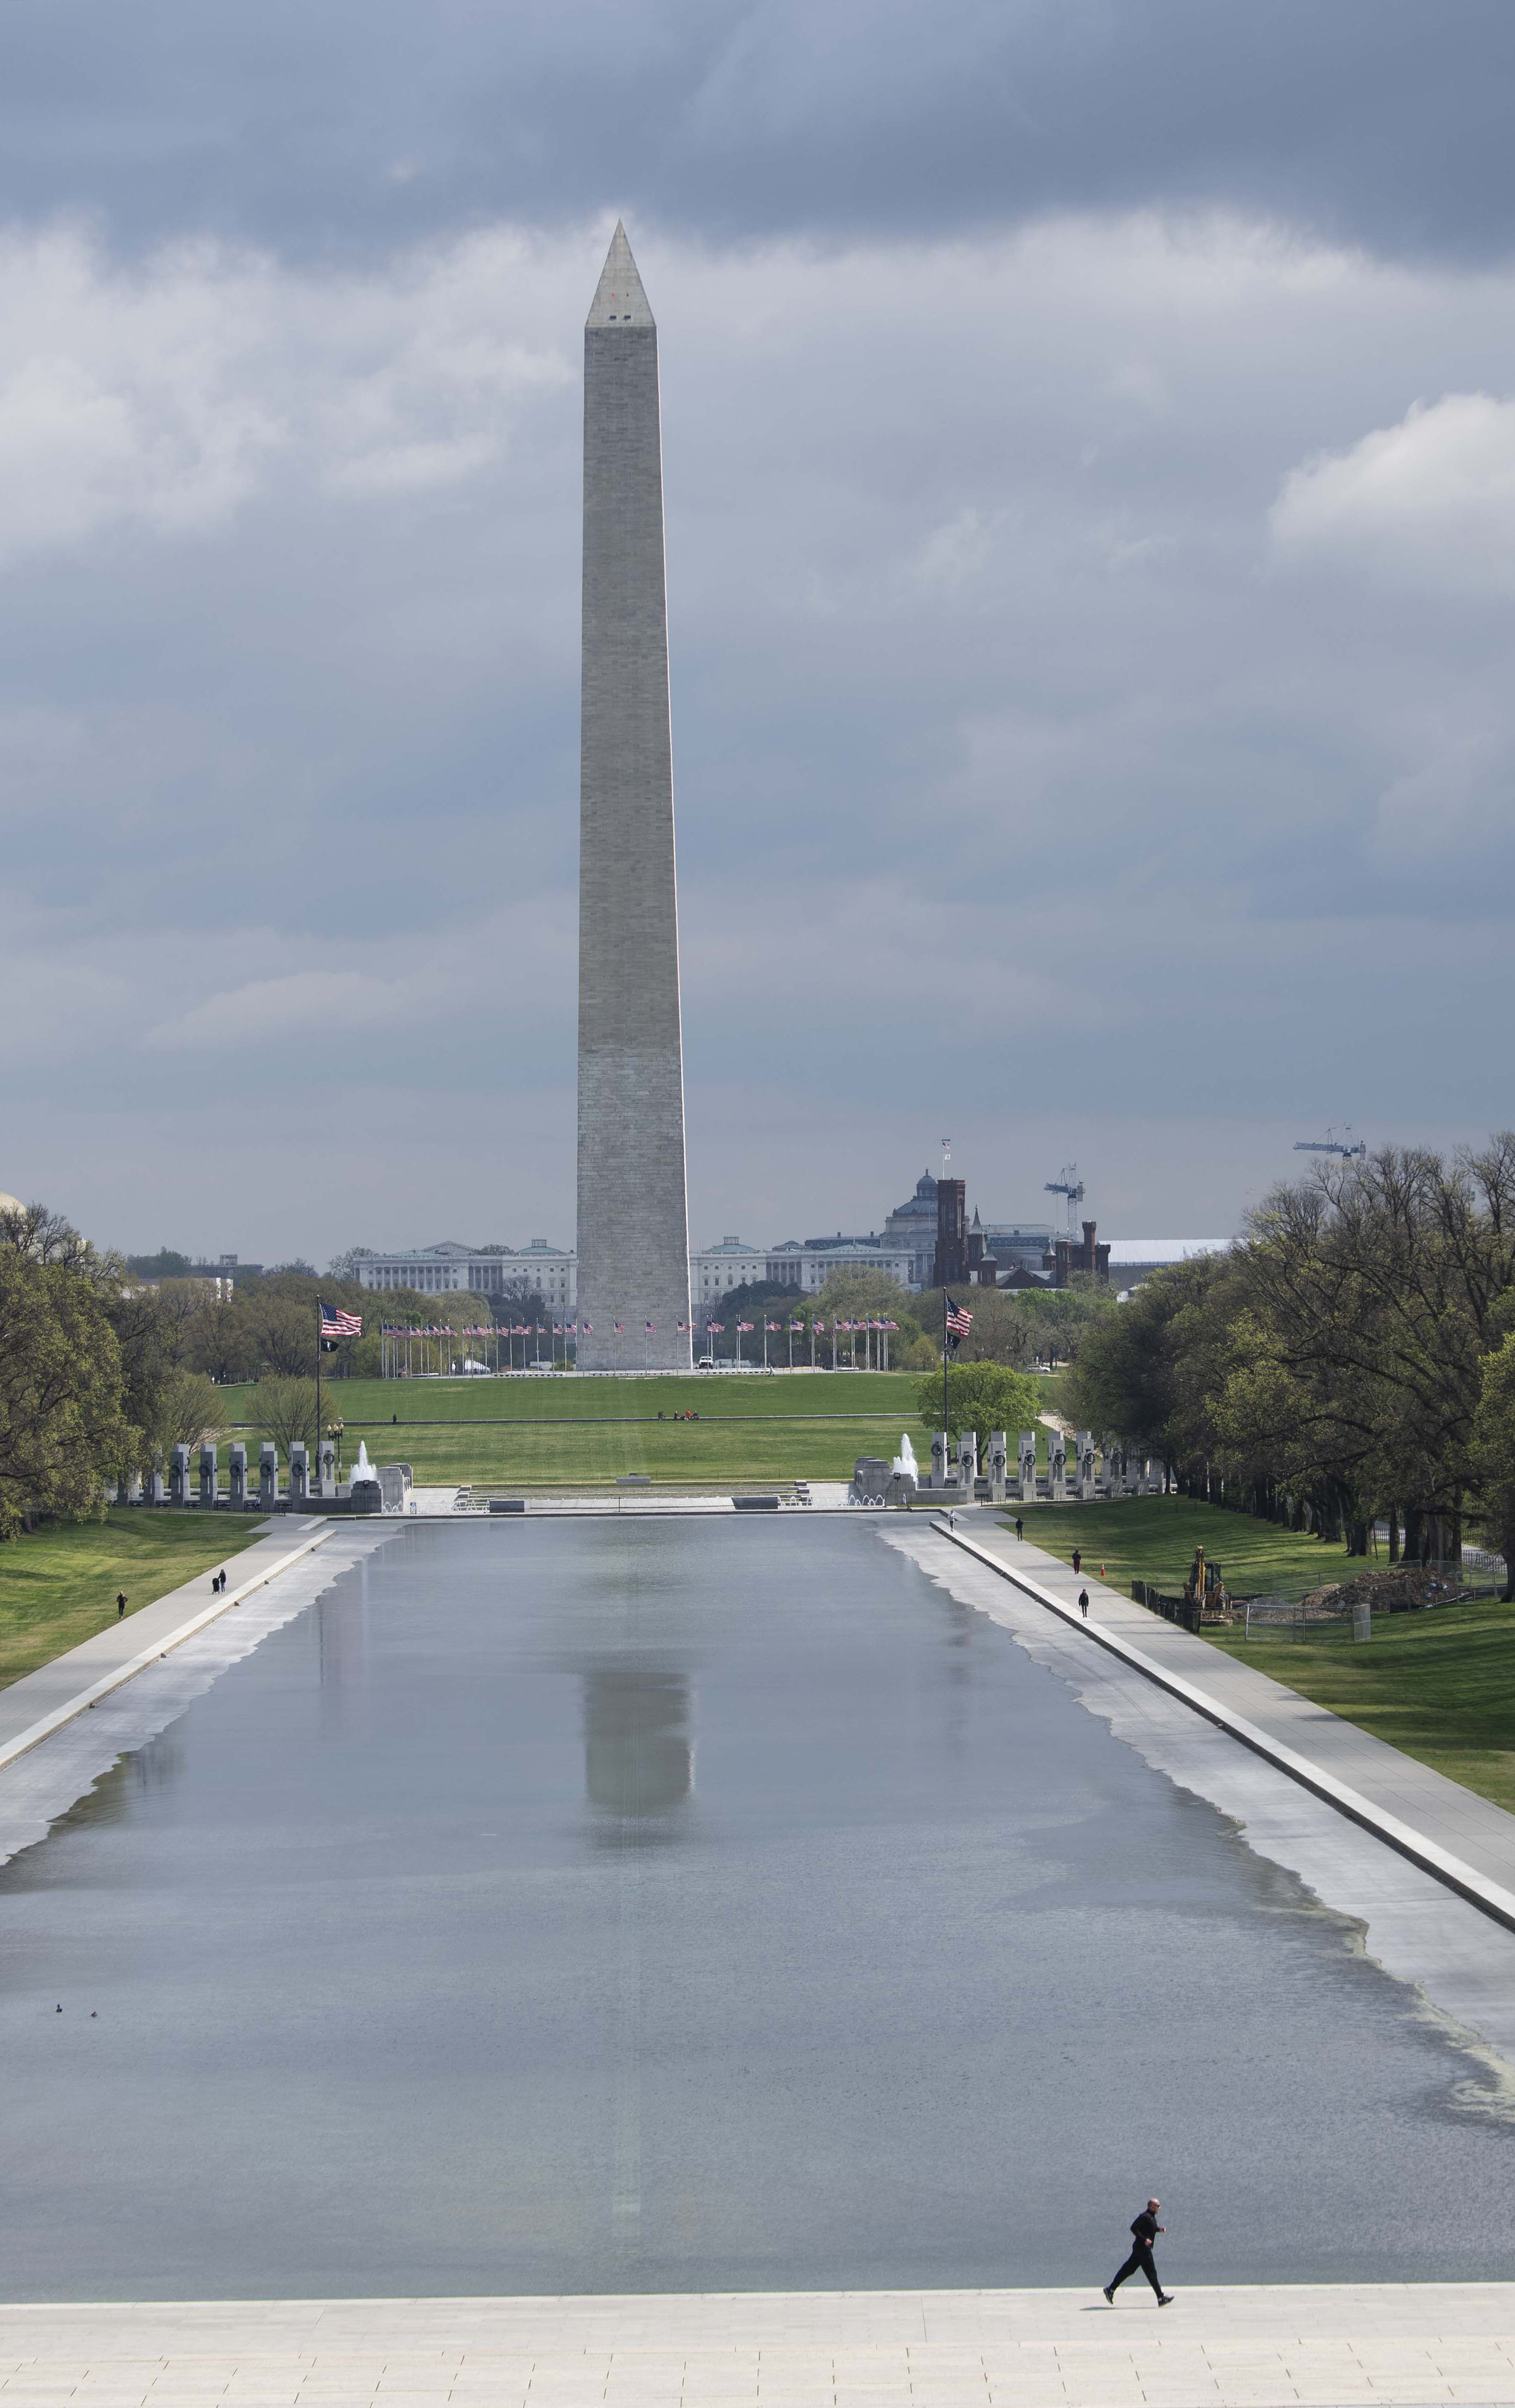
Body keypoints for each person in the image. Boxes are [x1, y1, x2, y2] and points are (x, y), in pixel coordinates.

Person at [1104, 2199, 1172, 2305]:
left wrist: (1159, 2230)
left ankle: (1111, 2289)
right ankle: (1161, 2298)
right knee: (1151, 2273)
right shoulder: (1144, 2216)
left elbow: (1149, 2229)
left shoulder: (1151, 2217)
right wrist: (1145, 2240)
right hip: (1143, 2249)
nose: (1160, 2208)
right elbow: (1134, 2228)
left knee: (1128, 2270)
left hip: (1140, 2249)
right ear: (1152, 2207)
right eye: (1158, 2206)